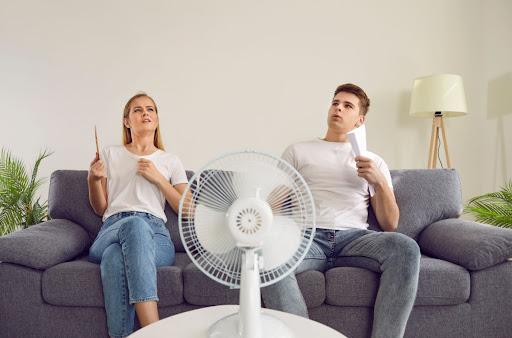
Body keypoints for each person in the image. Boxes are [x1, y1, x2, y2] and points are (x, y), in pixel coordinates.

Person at [261, 83, 420, 338]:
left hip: (354, 239)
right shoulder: (298, 151)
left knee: (406, 248)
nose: (338, 108)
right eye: (335, 103)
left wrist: (378, 181)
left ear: (360, 120)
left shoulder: (373, 161)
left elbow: (390, 224)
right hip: (307, 237)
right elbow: (275, 202)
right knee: (268, 254)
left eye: (347, 106)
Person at [87, 92, 190, 338]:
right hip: (113, 228)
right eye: (138, 110)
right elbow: (100, 207)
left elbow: (188, 209)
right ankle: (155, 333)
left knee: (114, 258)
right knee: (133, 225)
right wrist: (93, 178)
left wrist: (158, 179)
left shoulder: (170, 161)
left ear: (156, 119)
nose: (145, 113)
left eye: (151, 109)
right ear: (126, 121)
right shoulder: (111, 154)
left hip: (156, 236)